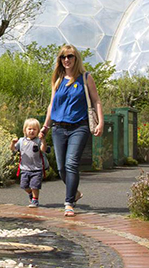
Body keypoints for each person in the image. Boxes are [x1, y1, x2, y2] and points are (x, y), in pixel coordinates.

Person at [38, 44, 103, 217]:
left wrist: (100, 122)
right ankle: (74, 192)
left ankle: (69, 203)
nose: (66, 60)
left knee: (71, 163)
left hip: (79, 127)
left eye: (70, 56)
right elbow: (52, 105)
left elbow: (96, 101)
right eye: (63, 57)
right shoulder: (57, 79)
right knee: (61, 168)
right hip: (59, 128)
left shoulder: (85, 77)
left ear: (76, 58)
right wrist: (45, 126)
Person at [10, 118, 48, 208]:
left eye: (34, 129)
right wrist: (12, 143)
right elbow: (13, 149)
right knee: (24, 186)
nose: (32, 131)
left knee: (35, 186)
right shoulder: (21, 141)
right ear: (25, 130)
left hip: (36, 169)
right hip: (25, 168)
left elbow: (43, 150)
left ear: (38, 131)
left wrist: (43, 140)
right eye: (29, 129)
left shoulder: (38, 141)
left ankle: (35, 200)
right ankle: (30, 193)